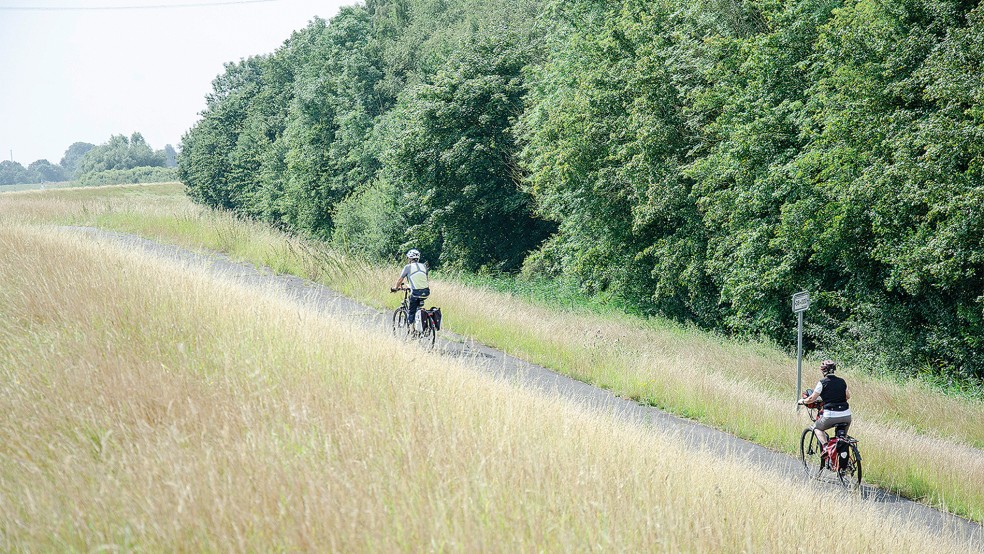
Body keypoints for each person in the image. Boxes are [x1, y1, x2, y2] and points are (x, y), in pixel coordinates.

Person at [798, 360, 851, 447]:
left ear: (823, 370)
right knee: (842, 440)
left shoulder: (822, 382)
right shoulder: (842, 381)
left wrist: (803, 401)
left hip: (830, 416)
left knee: (816, 427)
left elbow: (811, 398)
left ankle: (826, 447)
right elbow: (847, 396)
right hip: (846, 416)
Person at [391, 248, 430, 329]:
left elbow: (400, 280)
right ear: (418, 258)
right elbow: (421, 279)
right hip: (426, 292)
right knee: (417, 307)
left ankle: (411, 330)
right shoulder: (424, 266)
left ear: (409, 258)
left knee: (411, 311)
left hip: (415, 293)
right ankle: (421, 326)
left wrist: (395, 288)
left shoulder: (408, 267)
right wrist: (409, 286)